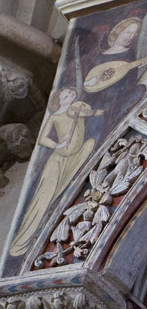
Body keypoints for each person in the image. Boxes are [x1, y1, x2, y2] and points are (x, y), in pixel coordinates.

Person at [9, 87, 103, 256]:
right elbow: (43, 138)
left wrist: (92, 111)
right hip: (58, 160)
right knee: (43, 198)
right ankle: (22, 242)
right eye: (67, 95)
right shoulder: (54, 116)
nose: (71, 97)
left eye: (72, 94)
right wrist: (56, 145)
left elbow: (93, 112)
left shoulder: (78, 107)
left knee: (63, 194)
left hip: (77, 154)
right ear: (58, 99)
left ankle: (48, 230)